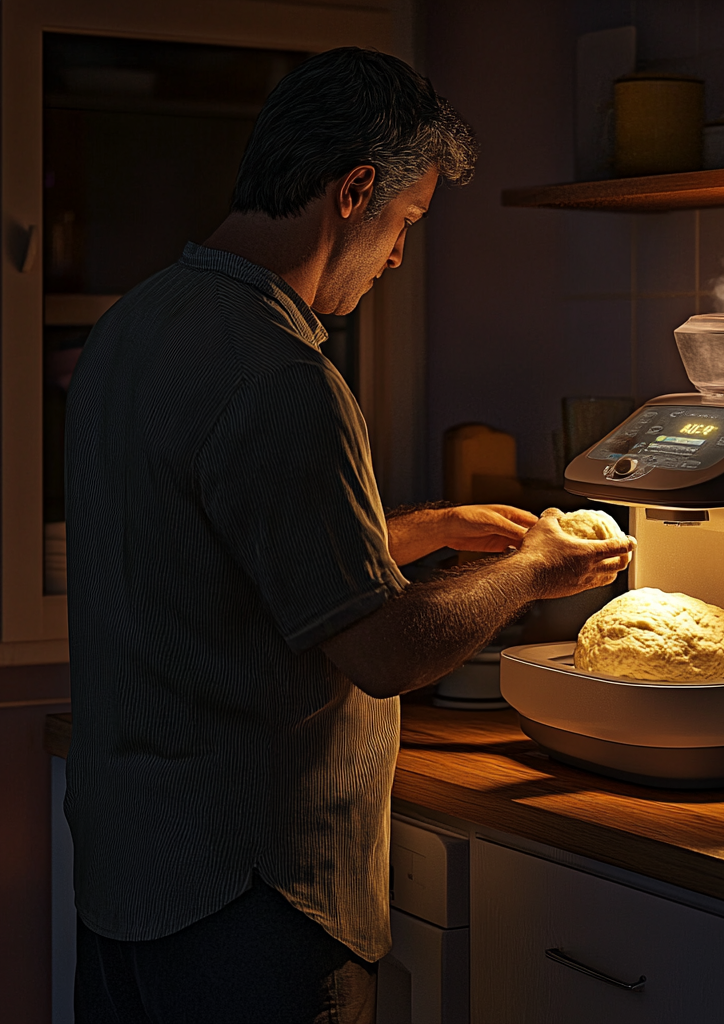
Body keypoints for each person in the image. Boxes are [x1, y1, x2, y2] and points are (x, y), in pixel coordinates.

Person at [64, 46, 633, 1024]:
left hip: (130, 875)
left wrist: (407, 529)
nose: (400, 255)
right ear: (354, 190)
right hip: (253, 897)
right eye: (405, 221)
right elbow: (382, 649)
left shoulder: (139, 324)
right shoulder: (283, 375)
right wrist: (538, 568)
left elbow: (210, 542)